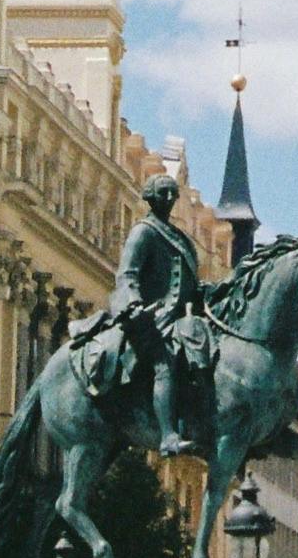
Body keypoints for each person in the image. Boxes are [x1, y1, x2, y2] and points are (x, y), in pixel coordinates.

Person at [71, 170, 214, 456]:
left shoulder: (180, 238)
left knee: (204, 355)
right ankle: (168, 436)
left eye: (173, 192)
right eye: (164, 192)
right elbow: (127, 275)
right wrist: (134, 305)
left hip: (178, 319)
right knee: (165, 360)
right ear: (150, 196)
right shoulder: (144, 231)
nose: (170, 198)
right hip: (149, 318)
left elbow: (189, 285)